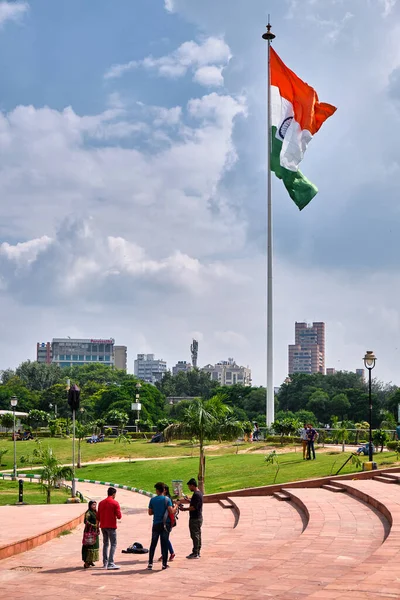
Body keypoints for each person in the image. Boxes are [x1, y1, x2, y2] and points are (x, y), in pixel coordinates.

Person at [147, 481, 174, 571]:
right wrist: (176, 506)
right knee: (164, 544)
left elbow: (150, 513)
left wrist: (157, 511)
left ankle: (150, 563)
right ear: (164, 490)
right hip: (165, 524)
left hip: (156, 524)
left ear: (157, 490)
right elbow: (171, 511)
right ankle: (164, 564)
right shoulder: (167, 500)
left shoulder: (153, 500)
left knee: (153, 544)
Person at [97, 486, 122, 570]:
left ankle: (105, 562)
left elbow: (98, 517)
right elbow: (119, 516)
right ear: (114, 494)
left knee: (105, 544)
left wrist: (97, 527)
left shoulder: (101, 503)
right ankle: (111, 563)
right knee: (113, 544)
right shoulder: (115, 503)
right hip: (111, 526)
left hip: (103, 526)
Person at [179, 478, 203, 559]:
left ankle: (195, 552)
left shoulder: (196, 494)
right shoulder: (199, 493)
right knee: (198, 534)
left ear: (192, 485)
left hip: (195, 518)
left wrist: (184, 509)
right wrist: (188, 500)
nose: (189, 488)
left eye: (189, 486)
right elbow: (195, 503)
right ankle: (197, 551)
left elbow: (193, 507)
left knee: (195, 535)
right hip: (198, 517)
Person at [158, 484, 176, 563]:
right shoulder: (164, 498)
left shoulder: (167, 499)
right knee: (163, 538)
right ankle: (165, 553)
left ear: (165, 490)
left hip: (167, 521)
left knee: (165, 538)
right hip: (163, 521)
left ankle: (171, 552)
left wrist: (177, 505)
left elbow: (171, 511)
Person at [82, 500, 99, 569]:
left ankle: (91, 560)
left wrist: (97, 527)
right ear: (90, 505)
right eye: (93, 505)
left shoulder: (95, 512)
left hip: (95, 532)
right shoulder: (88, 513)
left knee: (94, 546)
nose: (94, 506)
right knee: (89, 546)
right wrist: (94, 525)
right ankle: (86, 562)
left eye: (95, 505)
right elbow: (85, 521)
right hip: (89, 532)